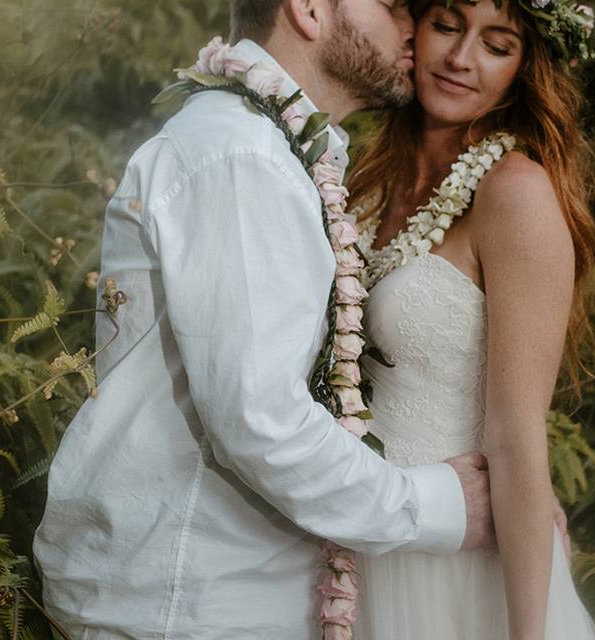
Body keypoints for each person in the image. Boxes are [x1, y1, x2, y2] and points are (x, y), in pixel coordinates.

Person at [32, 2, 498, 638]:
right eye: (390, 5)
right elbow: (261, 422)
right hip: (184, 601)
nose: (413, 26)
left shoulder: (271, 148)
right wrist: (438, 506)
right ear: (308, 8)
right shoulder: (241, 155)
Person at [346, 0, 595, 638]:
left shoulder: (515, 195)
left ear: (525, 68)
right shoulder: (364, 184)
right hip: (358, 533)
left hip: (457, 566)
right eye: (449, 25)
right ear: (414, 28)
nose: (461, 60)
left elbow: (516, 433)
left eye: (497, 43)